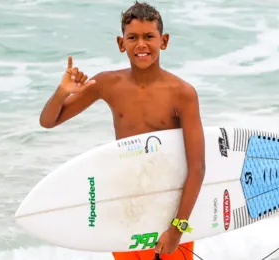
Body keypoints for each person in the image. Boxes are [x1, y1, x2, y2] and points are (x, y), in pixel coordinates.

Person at [39, 1, 205, 259]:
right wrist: (62, 92)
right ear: (121, 43)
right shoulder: (107, 84)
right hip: (126, 205)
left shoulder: (182, 94)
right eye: (133, 37)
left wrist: (177, 228)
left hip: (168, 208)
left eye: (149, 36)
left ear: (164, 41)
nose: (141, 44)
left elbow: (197, 167)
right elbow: (48, 121)